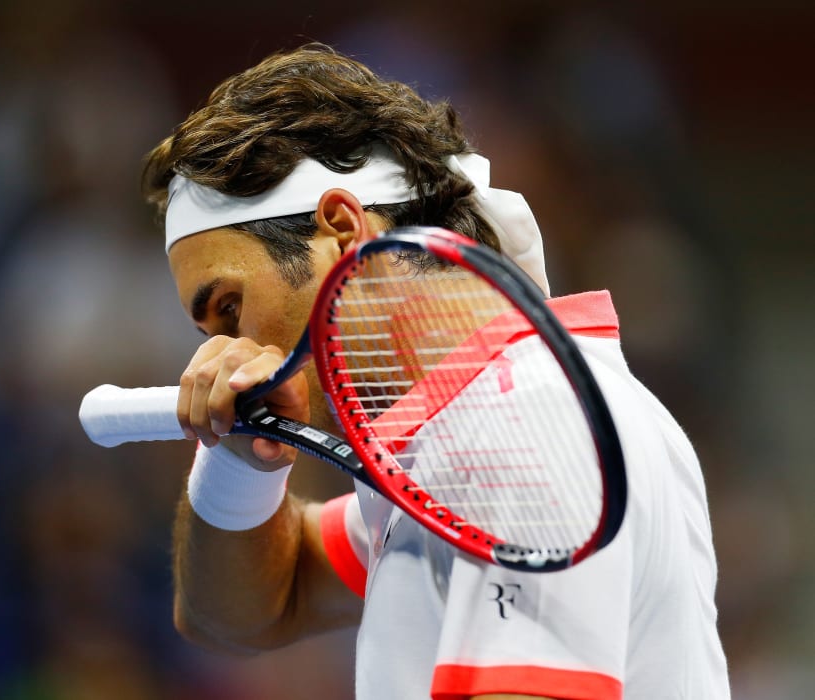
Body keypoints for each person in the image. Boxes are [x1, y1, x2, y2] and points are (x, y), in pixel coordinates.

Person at [140, 43, 729, 699]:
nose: (226, 355)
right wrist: (241, 455)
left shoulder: (520, 427)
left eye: (231, 308)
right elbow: (238, 615)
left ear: (341, 228)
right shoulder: (462, 437)